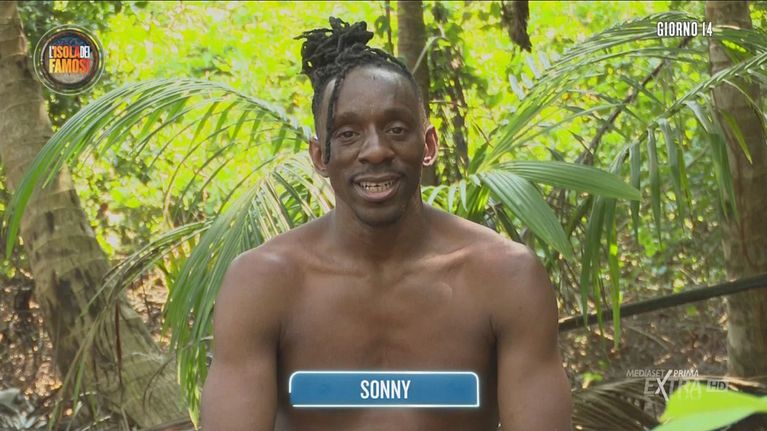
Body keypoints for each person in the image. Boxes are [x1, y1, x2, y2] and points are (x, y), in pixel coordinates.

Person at [200, 17, 572, 431]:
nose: (375, 151)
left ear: (428, 145)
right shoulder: (263, 283)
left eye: (396, 129)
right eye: (348, 134)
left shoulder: (505, 277)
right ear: (320, 156)